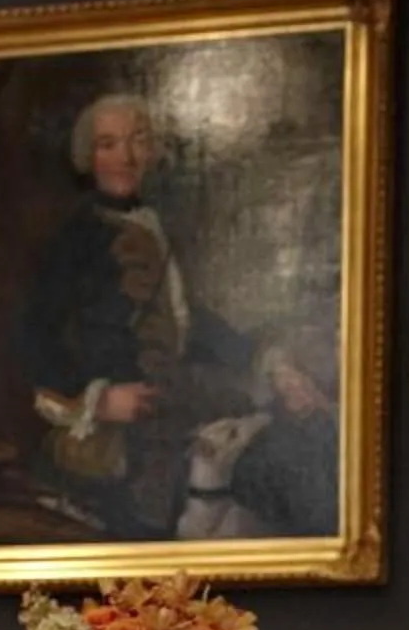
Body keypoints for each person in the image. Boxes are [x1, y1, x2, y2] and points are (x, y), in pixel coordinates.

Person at [13, 92, 255, 541]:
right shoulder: (74, 239)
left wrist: (260, 355)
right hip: (111, 434)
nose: (125, 158)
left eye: (137, 141)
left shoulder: (156, 222)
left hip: (167, 408)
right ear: (88, 157)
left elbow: (183, 317)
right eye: (108, 145)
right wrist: (98, 399)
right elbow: (34, 336)